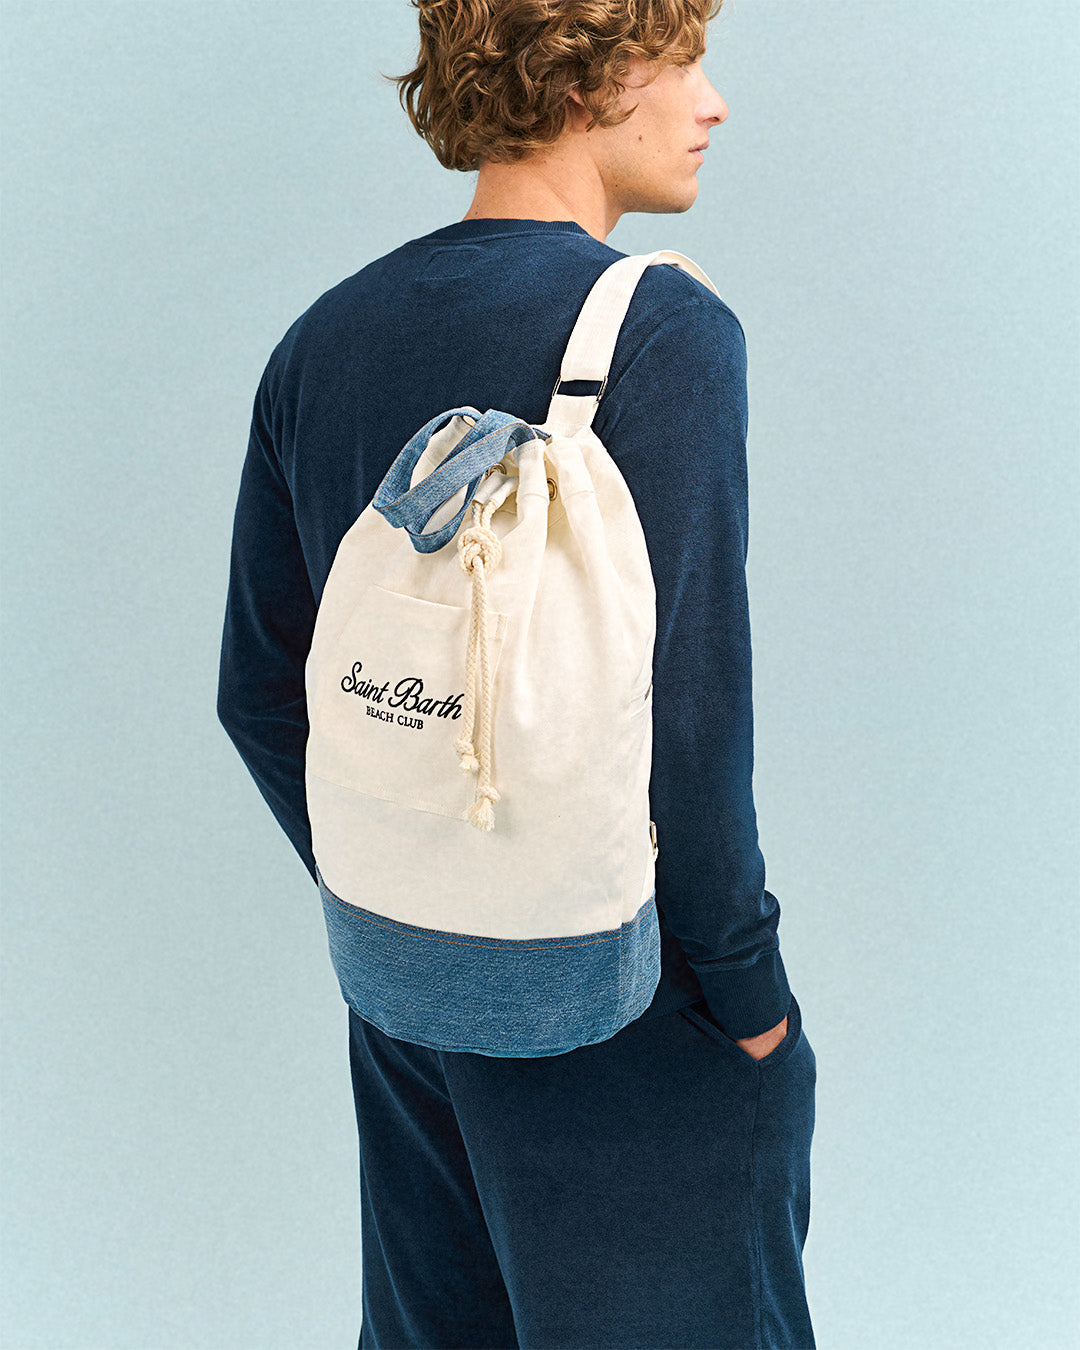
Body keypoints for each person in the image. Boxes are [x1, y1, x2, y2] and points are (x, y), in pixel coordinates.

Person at [217, 1, 817, 1345]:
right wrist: (752, 1003)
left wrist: (429, 889)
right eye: (682, 58)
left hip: (408, 998)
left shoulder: (322, 339)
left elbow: (259, 688)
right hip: (631, 1004)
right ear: (584, 76)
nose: (712, 102)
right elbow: (689, 724)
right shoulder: (662, 331)